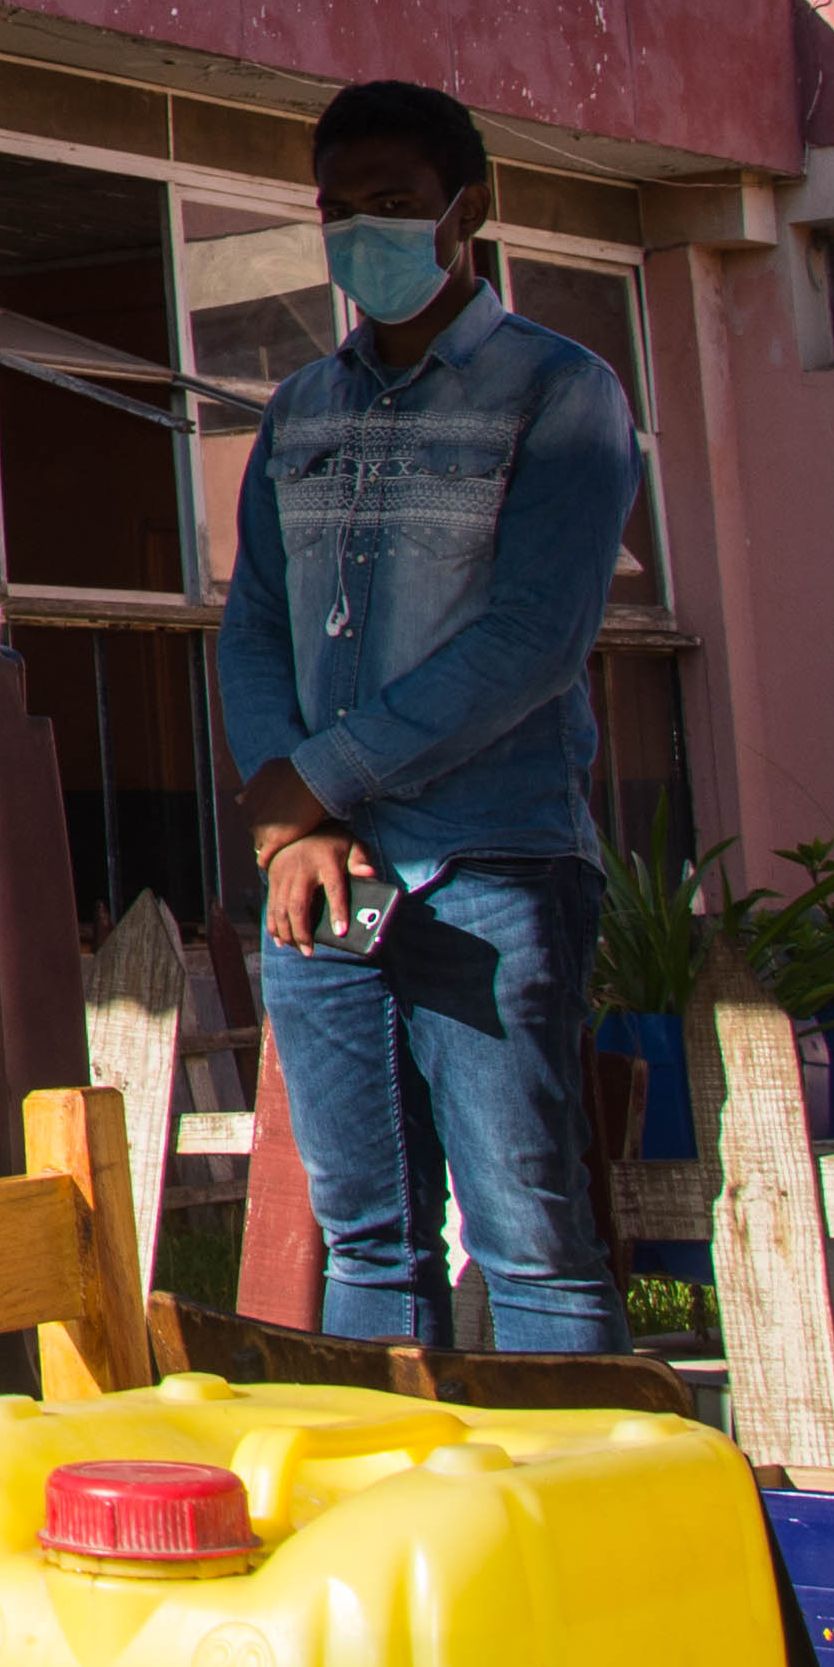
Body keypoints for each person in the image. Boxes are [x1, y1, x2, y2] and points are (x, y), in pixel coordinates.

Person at [217, 78, 639, 1355]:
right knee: (366, 1243)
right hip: (319, 877)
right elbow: (252, 627)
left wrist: (319, 780)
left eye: (395, 206)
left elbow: (532, 644)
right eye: (340, 211)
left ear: (471, 209)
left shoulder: (561, 395)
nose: (364, 237)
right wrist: (289, 821)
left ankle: (573, 1538)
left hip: (490, 864)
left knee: (530, 1237)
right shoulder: (301, 410)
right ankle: (388, 1519)